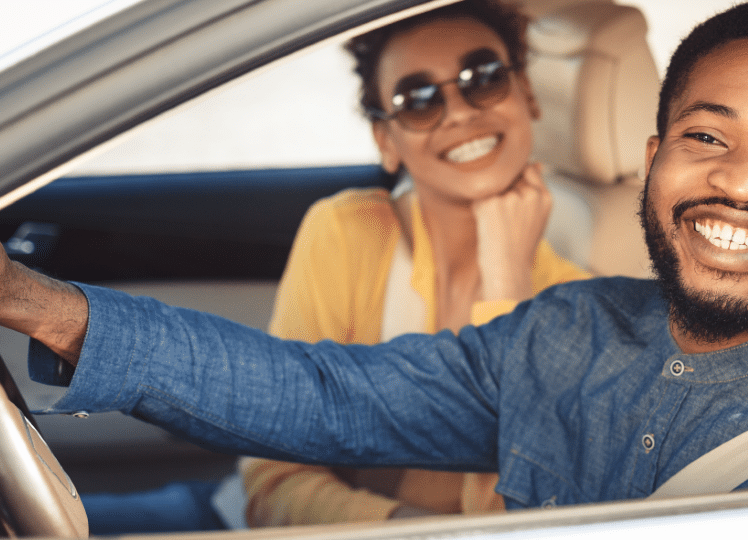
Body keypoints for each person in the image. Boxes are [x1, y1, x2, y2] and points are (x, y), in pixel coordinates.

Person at [0, 0, 748, 509]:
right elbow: (316, 391)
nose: (741, 183)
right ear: (654, 160)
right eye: (706, 138)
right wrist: (24, 297)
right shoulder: (563, 330)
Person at [240, 0, 587, 526]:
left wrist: (507, 290)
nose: (460, 113)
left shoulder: (579, 306)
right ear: (387, 141)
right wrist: (403, 528)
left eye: (484, 77)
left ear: (528, 96)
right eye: (419, 99)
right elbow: (273, 481)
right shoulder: (346, 232)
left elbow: (521, 519)